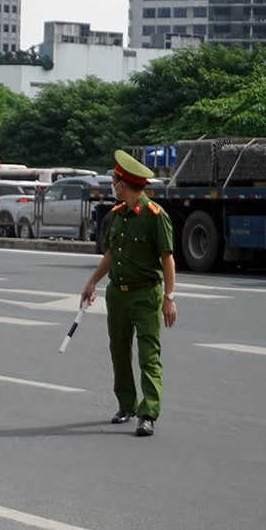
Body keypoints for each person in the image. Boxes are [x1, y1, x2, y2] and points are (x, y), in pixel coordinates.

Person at [79, 150, 177, 437]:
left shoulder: (155, 216)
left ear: (123, 184)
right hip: (117, 295)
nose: (113, 185)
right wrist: (92, 282)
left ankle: (148, 413)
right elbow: (110, 255)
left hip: (146, 295)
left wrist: (169, 299)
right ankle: (126, 405)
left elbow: (167, 258)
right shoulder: (117, 215)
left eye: (115, 181)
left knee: (149, 355)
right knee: (119, 352)